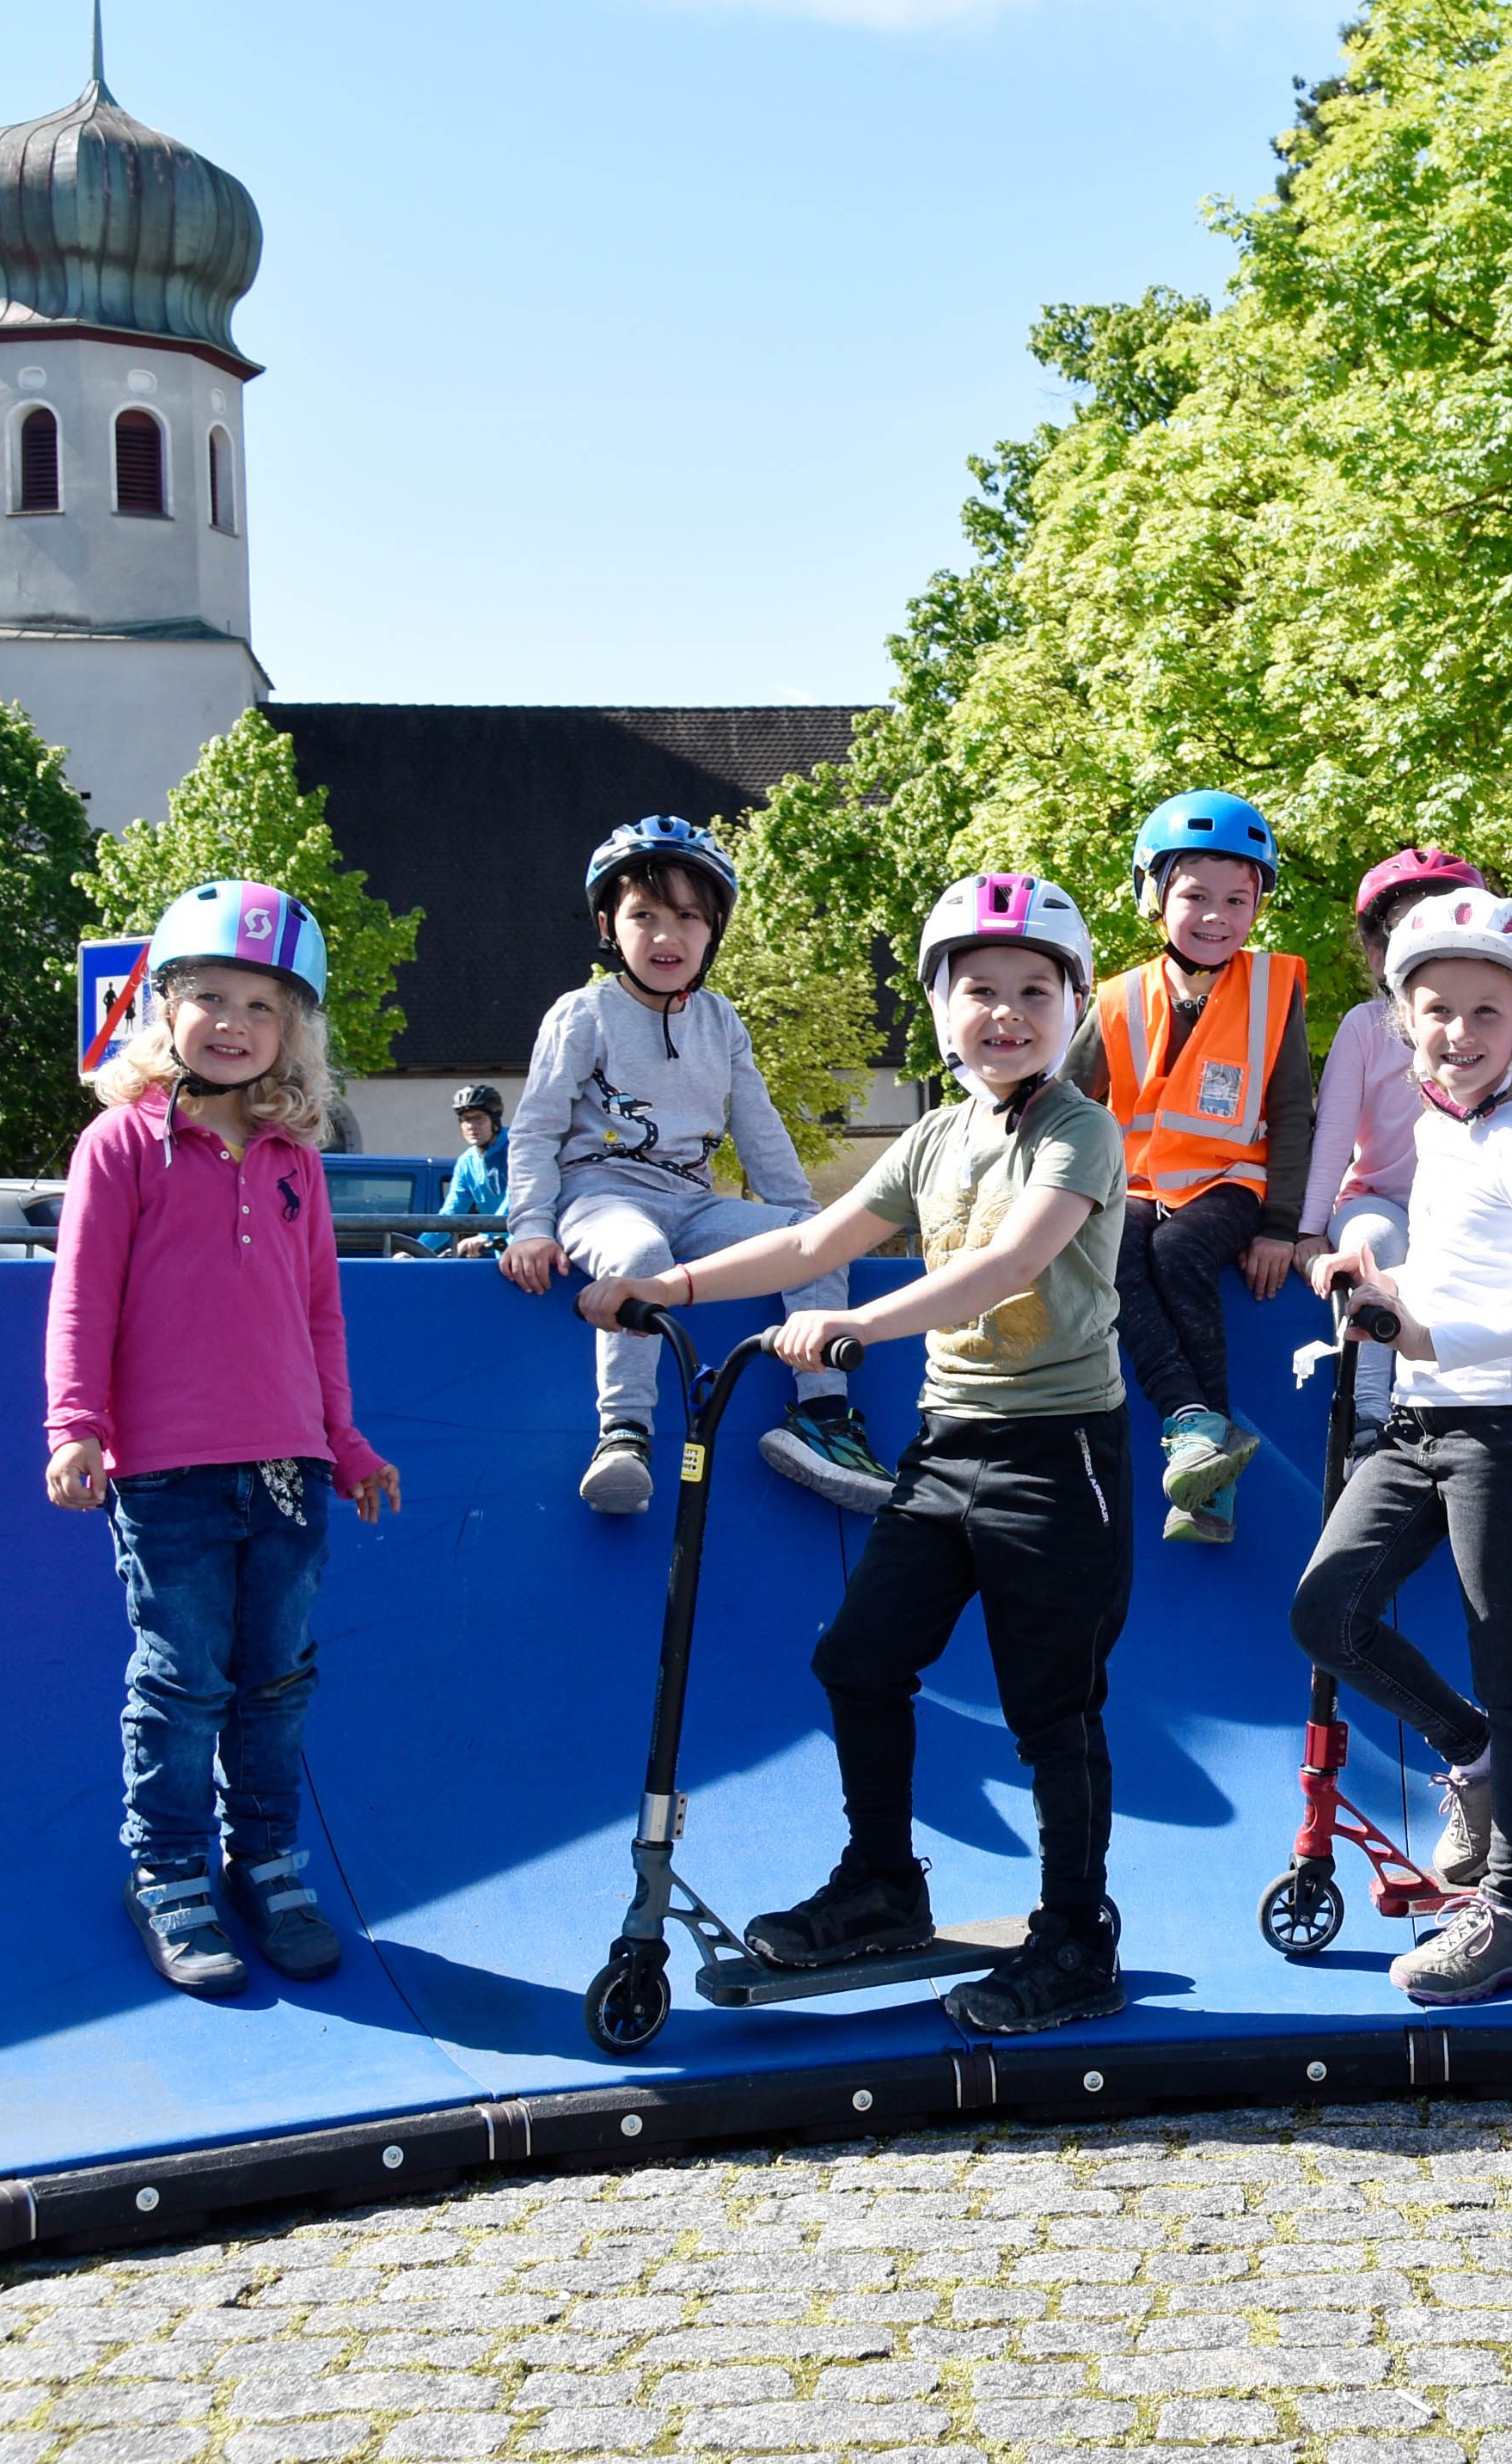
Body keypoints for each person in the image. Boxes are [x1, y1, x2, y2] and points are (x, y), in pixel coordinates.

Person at [578, 873, 1136, 2036]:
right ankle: (884, 1885)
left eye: (1035, 991)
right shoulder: (935, 1135)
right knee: (859, 1660)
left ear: (1073, 1007)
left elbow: (1010, 1266)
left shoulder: (1078, 1130)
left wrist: (857, 1324)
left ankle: (1078, 1937)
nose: (1006, 1013)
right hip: (947, 1453)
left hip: (1055, 1457)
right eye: (978, 990)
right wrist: (662, 1286)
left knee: (1053, 1713)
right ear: (939, 1007)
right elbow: (812, 1236)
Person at [43, 882, 403, 1998]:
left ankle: (267, 1861)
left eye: (261, 1003)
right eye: (209, 997)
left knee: (276, 1682)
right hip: (166, 1477)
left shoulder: (295, 1160)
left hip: (288, 1471)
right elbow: (81, 1298)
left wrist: (343, 1440)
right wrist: (76, 1424)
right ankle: (168, 1872)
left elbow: (318, 1315)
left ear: (295, 1029)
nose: (234, 1022)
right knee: (182, 1682)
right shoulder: (122, 1146)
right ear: (164, 1009)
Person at [1292, 892, 1512, 2007]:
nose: (1459, 1033)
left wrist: (1428, 1330)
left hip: (1508, 1430)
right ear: (1399, 1017)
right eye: (1437, 1011)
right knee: (1326, 1615)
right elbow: (1463, 1270)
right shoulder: (1437, 1130)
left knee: (1506, 1659)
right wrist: (1377, 1289)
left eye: (1486, 1012)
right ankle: (1473, 1755)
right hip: (1419, 1422)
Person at [498, 818, 892, 1519]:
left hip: (694, 1202)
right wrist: (529, 1225)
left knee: (817, 1233)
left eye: (686, 917)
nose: (665, 936)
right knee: (639, 1254)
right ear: (608, 926)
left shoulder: (721, 1022)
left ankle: (822, 1415)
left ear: (713, 931)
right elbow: (535, 1129)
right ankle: (625, 1432)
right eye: (643, 916)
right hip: (601, 1196)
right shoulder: (583, 1014)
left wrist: (802, 1227)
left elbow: (760, 1129)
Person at [1065, 790, 1316, 1546]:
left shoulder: (1276, 989)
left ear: (1258, 907)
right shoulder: (1114, 1000)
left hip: (1233, 1182)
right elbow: (1067, 1103)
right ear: (1154, 896)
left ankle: (1196, 1430)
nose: (1217, 915)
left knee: (1177, 1253)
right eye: (1195, 896)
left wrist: (1281, 1228)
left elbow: (1295, 1111)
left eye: (1237, 899)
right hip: (1137, 1184)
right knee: (1115, 1254)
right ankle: (1200, 1442)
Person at [1301, 846, 1486, 1450]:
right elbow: (1332, 1134)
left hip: (1459, 1207)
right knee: (1380, 1243)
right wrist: (1307, 1230)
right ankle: (1367, 1418)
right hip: (1379, 1198)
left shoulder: (1487, 1029)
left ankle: (1467, 1415)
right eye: (1408, 932)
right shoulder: (1364, 1025)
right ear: (1378, 955)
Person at [422, 1083, 505, 1256]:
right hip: (502, 1252)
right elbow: (450, 1214)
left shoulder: (517, 1149)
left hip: (536, 1247)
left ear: (494, 1121)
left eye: (479, 1119)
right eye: (466, 1120)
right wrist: (416, 1249)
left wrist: (485, 1235)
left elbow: (521, 1198)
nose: (472, 1126)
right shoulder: (467, 1162)